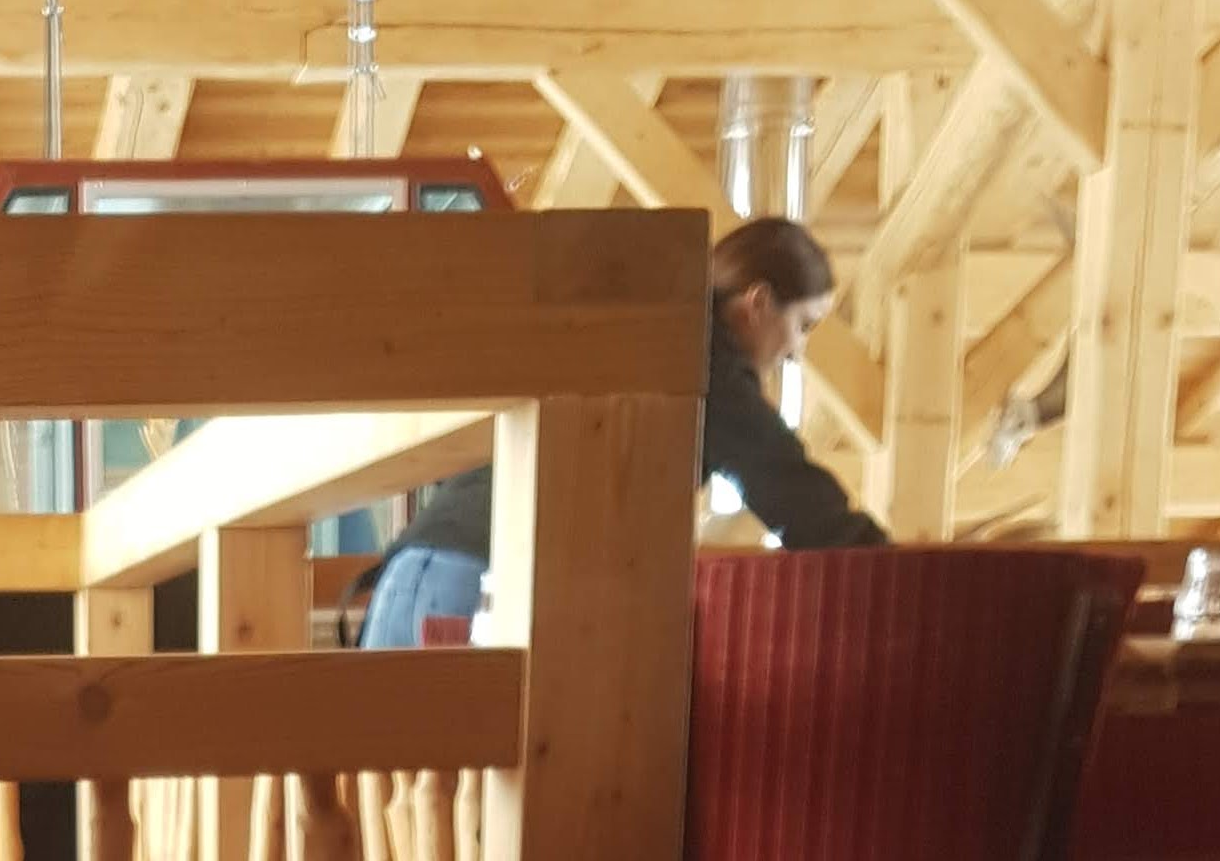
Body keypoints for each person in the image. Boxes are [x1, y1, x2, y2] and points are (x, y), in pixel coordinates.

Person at [361, 212, 886, 645]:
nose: (796, 351)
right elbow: (792, 491)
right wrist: (897, 571)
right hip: (484, 584)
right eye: (803, 325)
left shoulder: (634, 334)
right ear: (758, 303)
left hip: (413, 571)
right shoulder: (699, 360)